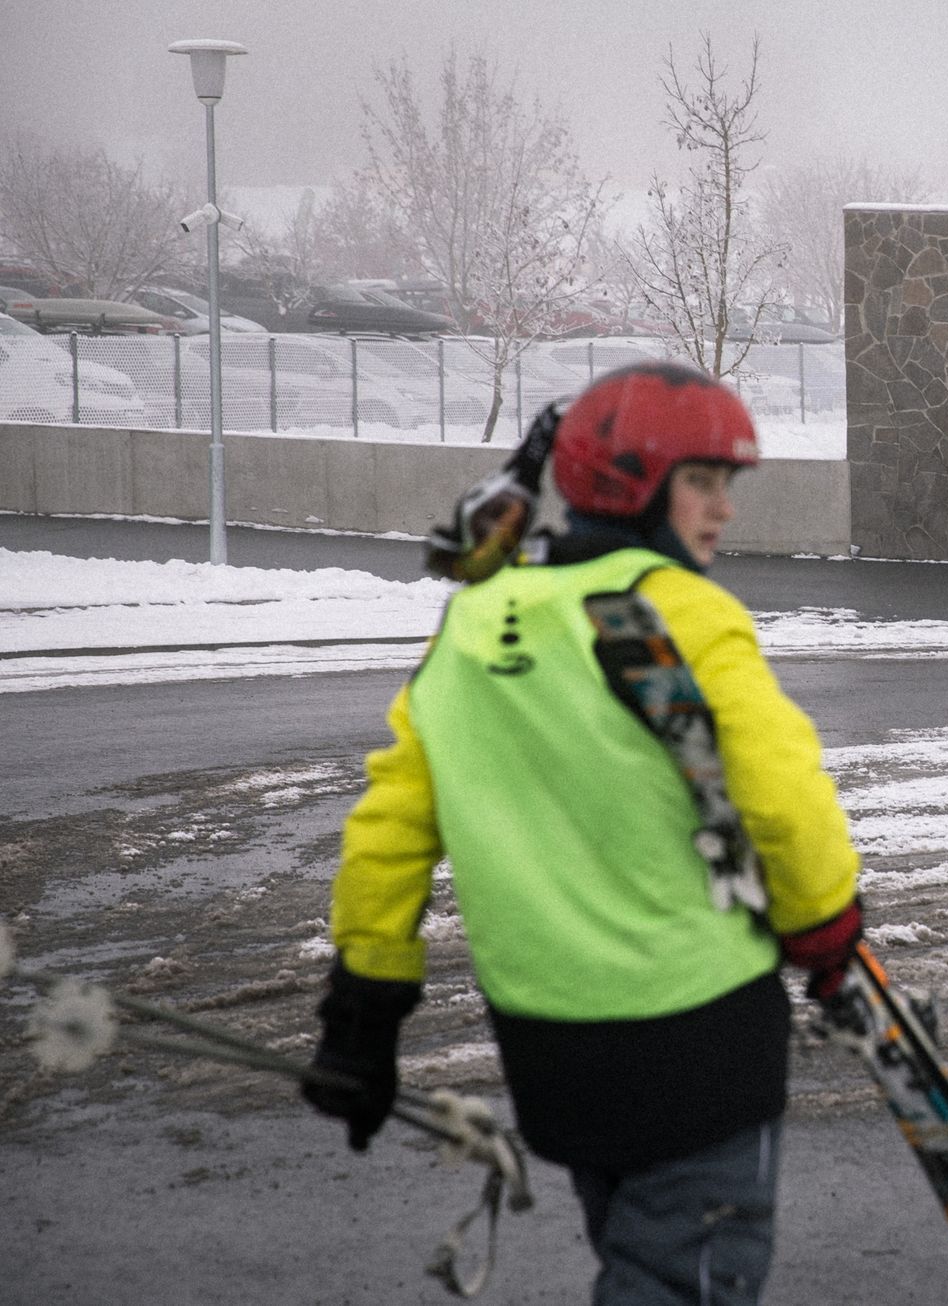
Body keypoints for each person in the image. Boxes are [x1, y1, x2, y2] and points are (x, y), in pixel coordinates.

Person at [304, 360, 864, 1306]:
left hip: (550, 1044)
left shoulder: (472, 622)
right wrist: (827, 930)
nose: (723, 510)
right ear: (635, 484)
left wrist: (365, 1010)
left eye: (728, 485)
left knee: (633, 1252)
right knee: (679, 1277)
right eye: (702, 481)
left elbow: (390, 830)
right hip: (700, 1037)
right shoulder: (676, 612)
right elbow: (782, 793)